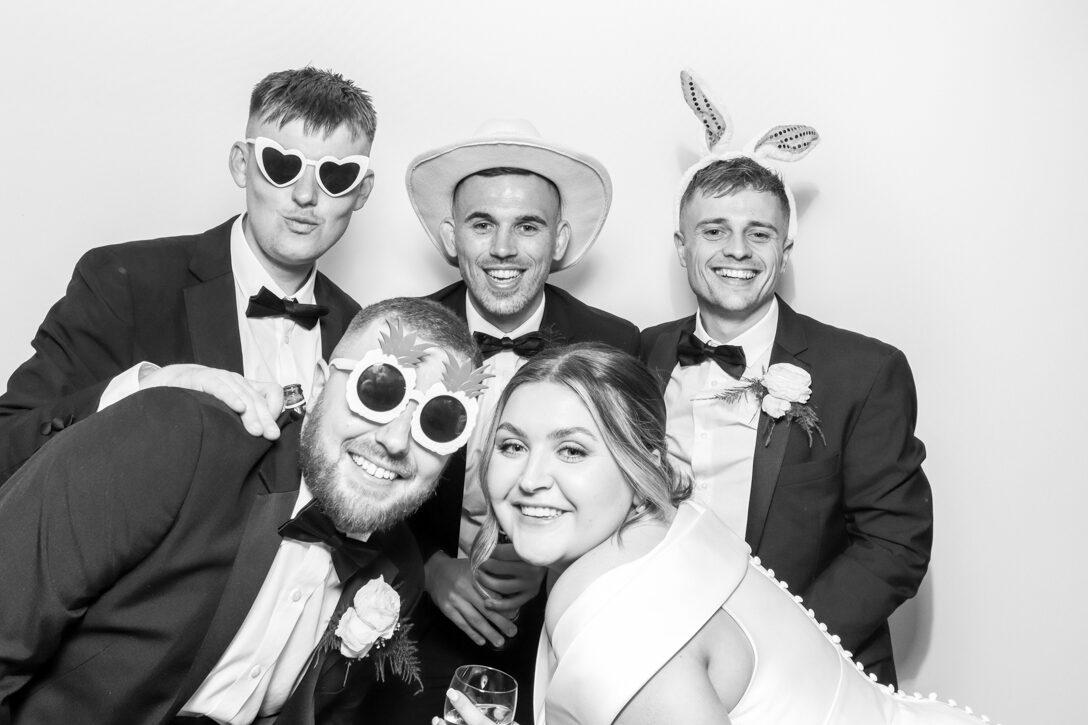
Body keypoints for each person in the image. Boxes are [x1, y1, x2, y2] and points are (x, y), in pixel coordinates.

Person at [442, 343, 999, 725]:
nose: (531, 480)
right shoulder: (671, 526)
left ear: (646, 468)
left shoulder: (630, 636)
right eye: (514, 446)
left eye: (572, 450)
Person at [0, 297, 485, 724]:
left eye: (438, 422)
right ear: (318, 386)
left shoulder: (400, 571)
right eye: (379, 390)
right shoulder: (172, 439)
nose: (395, 441)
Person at [640, 71, 932, 685]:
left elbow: (894, 543)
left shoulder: (866, 372)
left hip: (813, 674)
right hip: (661, 665)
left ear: (786, 247)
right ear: (681, 245)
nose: (737, 250)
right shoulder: (637, 358)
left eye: (759, 233)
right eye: (714, 230)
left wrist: (770, 649)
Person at [375, 120, 639, 723]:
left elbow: (635, 495)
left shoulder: (614, 343)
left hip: (561, 634)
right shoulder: (398, 334)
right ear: (452, 237)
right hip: (412, 629)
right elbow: (355, 484)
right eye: (482, 224)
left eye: (528, 225)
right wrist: (431, 569)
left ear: (560, 240)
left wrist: (553, 566)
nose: (503, 248)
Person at [0, 66, 375, 485]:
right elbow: (8, 444)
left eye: (335, 175)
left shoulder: (363, 334)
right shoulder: (125, 286)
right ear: (241, 164)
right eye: (281, 164)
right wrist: (147, 388)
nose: (305, 195)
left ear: (361, 191)